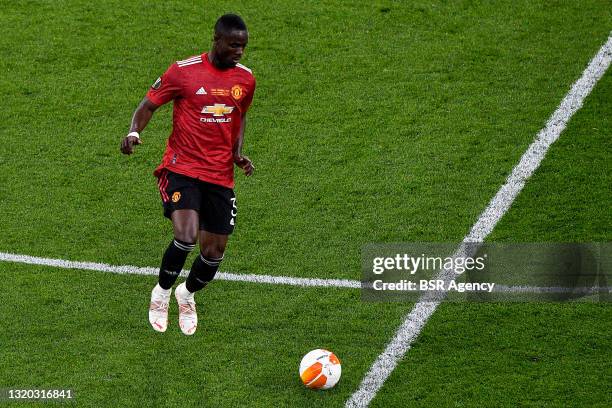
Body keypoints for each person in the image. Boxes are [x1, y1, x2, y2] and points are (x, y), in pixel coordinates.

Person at [120, 13, 256, 335]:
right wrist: (134, 133)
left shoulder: (245, 80)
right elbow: (148, 104)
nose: (239, 52)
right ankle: (162, 292)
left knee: (213, 253)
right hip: (181, 167)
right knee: (186, 236)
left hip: (220, 175)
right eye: (234, 45)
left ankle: (186, 294)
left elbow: (239, 117)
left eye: (243, 46)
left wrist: (236, 154)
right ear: (217, 40)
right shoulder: (183, 72)